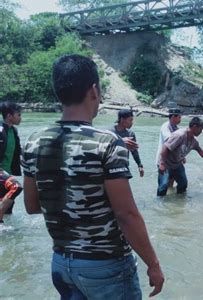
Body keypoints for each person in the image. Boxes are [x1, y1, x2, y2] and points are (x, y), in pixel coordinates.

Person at [21, 54, 164, 298]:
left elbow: (32, 206)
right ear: (94, 91)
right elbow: (126, 215)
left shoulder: (34, 141)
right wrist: (153, 264)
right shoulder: (107, 143)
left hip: (61, 264)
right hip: (106, 266)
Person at [158, 117, 203, 197]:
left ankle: (178, 203)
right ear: (195, 127)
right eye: (201, 129)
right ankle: (159, 205)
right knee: (163, 187)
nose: (201, 132)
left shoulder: (193, 141)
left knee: (183, 184)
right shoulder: (180, 135)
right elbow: (165, 148)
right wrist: (162, 164)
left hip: (177, 164)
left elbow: (202, 152)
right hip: (166, 164)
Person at [0, 101, 22, 214]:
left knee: (8, 209)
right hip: (1, 174)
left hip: (7, 174)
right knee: (16, 187)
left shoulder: (13, 131)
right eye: (18, 115)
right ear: (9, 116)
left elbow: (18, 152)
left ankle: (7, 231)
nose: (20, 118)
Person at [155, 107, 182, 195]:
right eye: (179, 117)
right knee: (163, 185)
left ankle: (171, 194)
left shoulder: (177, 128)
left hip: (174, 160)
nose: (180, 119)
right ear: (173, 117)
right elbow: (170, 140)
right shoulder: (165, 127)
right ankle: (160, 203)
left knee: (173, 181)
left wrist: (182, 156)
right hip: (164, 160)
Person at [110, 109, 144, 177]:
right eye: (130, 120)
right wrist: (120, 141)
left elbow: (134, 151)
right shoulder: (110, 132)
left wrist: (140, 165)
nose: (132, 123)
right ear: (122, 120)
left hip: (124, 166)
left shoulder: (130, 134)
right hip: (110, 166)